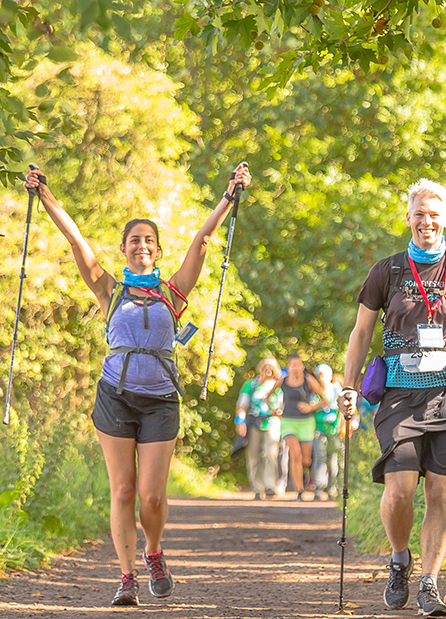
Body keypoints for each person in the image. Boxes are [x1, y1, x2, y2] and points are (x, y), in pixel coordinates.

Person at [25, 161, 252, 607]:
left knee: (151, 496)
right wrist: (44, 193)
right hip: (114, 398)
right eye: (134, 240)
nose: (141, 246)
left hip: (161, 401)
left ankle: (154, 552)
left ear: (157, 250)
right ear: (125, 249)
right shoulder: (109, 291)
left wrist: (230, 194)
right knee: (123, 490)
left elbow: (203, 242)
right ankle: (126, 577)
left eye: (149, 240)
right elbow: (76, 241)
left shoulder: (173, 291)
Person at [340, 178, 446, 617]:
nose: (427, 221)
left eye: (435, 214)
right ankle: (399, 559)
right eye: (419, 214)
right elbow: (361, 333)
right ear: (408, 218)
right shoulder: (386, 271)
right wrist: (349, 386)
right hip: (399, 396)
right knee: (399, 490)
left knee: (440, 490)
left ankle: (429, 584)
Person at [277, 352, 324, 501]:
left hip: (306, 422)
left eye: (298, 365)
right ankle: (298, 490)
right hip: (288, 421)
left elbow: (325, 398)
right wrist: (273, 410)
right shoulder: (282, 381)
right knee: (295, 454)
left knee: (305, 460)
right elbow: (267, 395)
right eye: (292, 365)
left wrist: (311, 407)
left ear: (302, 366)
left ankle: (306, 481)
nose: (295, 368)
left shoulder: (308, 380)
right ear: (289, 367)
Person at [235, 357, 283, 499]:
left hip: (272, 423)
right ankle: (257, 487)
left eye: (271, 368)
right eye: (265, 367)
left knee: (270, 454)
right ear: (260, 368)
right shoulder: (251, 384)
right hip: (253, 423)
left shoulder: (278, 386)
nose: (268, 370)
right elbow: (241, 405)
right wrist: (240, 422)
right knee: (253, 455)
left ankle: (270, 486)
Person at [311, 364, 342, 501]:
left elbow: (341, 409)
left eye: (325, 374)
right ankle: (319, 487)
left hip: (334, 429)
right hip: (319, 428)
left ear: (330, 375)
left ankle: (333, 487)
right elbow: (310, 407)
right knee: (319, 457)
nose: (322, 377)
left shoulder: (336, 389)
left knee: (333, 459)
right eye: (320, 374)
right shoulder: (315, 390)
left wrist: (342, 427)